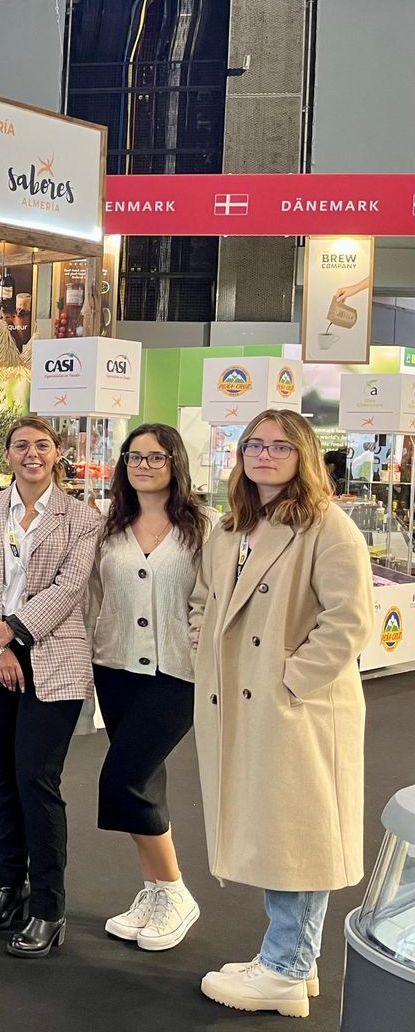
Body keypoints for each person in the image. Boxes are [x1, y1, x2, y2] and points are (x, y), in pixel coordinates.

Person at [191, 409, 372, 1018]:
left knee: (299, 834)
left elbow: (349, 622)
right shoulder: (232, 527)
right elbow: (202, 600)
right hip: (248, 703)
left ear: (304, 456)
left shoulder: (327, 526)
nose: (264, 455)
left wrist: (290, 680)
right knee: (277, 830)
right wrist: (203, 645)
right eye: (254, 444)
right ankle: (293, 955)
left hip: (296, 709)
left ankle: (285, 970)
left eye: (279, 446)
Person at [0, 415, 102, 959]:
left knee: (36, 778)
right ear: (7, 455)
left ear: (57, 453)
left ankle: (48, 906)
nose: (31, 454)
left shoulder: (83, 518)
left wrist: (13, 630)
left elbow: (68, 589)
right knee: (1, 775)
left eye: (41, 445)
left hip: (53, 659)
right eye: (20, 446)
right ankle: (9, 884)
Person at [87, 424, 208, 952]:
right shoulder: (107, 526)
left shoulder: (205, 528)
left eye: (156, 457)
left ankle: (176, 890)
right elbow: (92, 596)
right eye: (134, 457)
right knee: (146, 781)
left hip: (178, 672)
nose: (143, 465)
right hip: (115, 667)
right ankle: (154, 890)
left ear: (175, 462)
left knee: (124, 780)